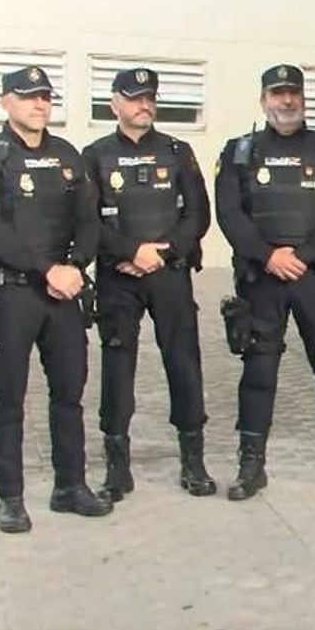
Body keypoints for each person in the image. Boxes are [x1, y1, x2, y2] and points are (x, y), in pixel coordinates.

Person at [214, 63, 315, 500]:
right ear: (263, 99)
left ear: (303, 98)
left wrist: (300, 258)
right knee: (259, 369)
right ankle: (251, 465)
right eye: (277, 93)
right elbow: (229, 213)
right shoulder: (238, 152)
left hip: (313, 276)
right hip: (262, 277)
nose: (286, 101)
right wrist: (268, 256)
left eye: (293, 93)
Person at [0, 66, 113, 532]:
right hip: (13, 294)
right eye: (29, 96)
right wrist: (47, 270)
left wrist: (76, 266)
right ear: (6, 101)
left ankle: (70, 486)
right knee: (8, 399)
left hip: (64, 293)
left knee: (69, 393)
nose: (39, 104)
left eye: (45, 97)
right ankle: (11, 499)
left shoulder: (66, 155)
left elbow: (89, 220)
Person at [83, 67, 215, 501]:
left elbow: (197, 214)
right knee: (118, 367)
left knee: (183, 362)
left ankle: (193, 461)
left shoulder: (178, 152)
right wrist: (129, 252)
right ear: (114, 104)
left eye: (150, 97)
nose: (144, 105)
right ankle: (116, 467)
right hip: (118, 278)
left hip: (169, 274)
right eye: (135, 97)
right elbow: (86, 221)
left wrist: (164, 253)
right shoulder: (94, 156)